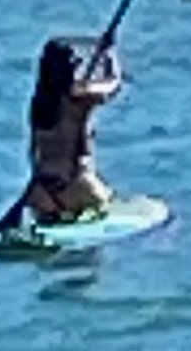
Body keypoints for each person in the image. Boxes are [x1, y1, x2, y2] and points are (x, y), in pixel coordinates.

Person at [24, 35, 122, 224]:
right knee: (110, 205)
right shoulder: (78, 97)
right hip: (77, 185)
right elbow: (113, 84)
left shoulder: (38, 104)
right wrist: (109, 55)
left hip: (40, 189)